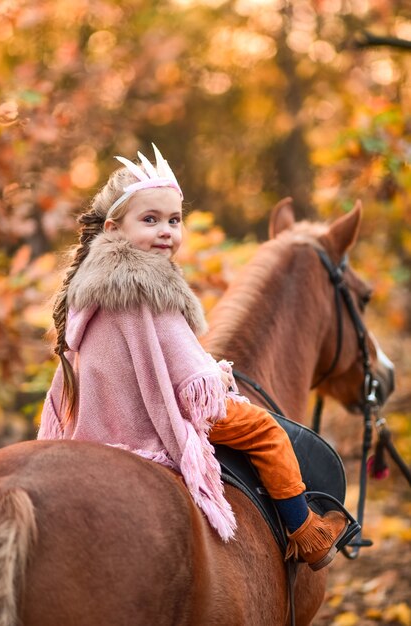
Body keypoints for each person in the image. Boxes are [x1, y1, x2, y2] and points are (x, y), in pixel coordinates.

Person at [38, 144, 348, 570]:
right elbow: (190, 380)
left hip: (111, 415)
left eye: (174, 220)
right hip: (155, 415)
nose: (166, 231)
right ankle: (307, 531)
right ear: (113, 227)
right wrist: (216, 377)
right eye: (150, 220)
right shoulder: (150, 285)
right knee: (264, 429)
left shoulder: (89, 287)